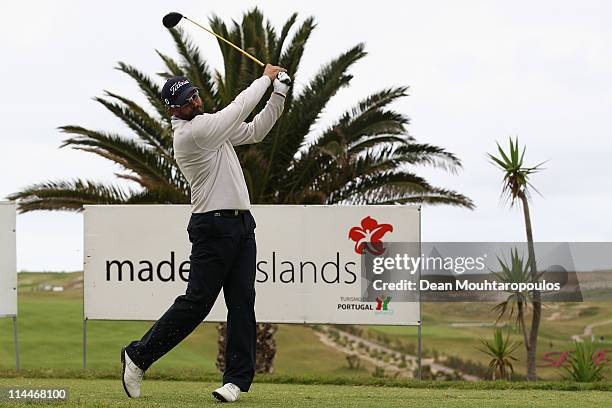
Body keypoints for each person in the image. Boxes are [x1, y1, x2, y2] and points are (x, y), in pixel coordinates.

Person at [120, 64, 290, 403]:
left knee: (242, 302)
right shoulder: (192, 134)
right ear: (173, 110)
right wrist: (266, 78)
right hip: (212, 227)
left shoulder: (211, 127)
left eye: (194, 95)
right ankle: (138, 357)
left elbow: (256, 130)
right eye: (186, 101)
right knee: (197, 303)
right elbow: (239, 108)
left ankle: (236, 382)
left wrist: (280, 94)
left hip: (242, 225)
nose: (195, 102)